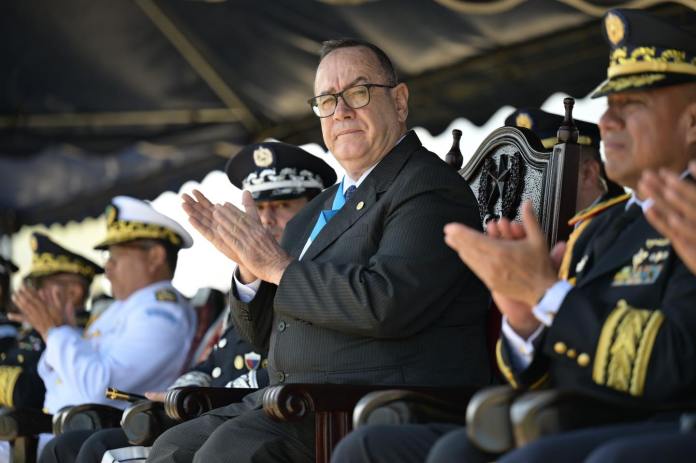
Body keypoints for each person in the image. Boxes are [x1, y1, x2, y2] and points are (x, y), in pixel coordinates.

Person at [332, 8, 696, 463]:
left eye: (632, 105)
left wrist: (548, 296)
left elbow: (674, 367)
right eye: (608, 106)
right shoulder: (601, 228)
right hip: (578, 419)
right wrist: (525, 320)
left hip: (657, 424)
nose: (607, 124)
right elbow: (545, 377)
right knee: (372, 447)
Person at [147, 37, 490, 463]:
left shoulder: (426, 187)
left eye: (358, 93)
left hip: (374, 406)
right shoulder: (317, 210)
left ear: (400, 102)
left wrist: (275, 265)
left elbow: (386, 302)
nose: (341, 110)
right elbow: (263, 335)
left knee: (228, 452)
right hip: (294, 400)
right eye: (327, 100)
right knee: (171, 447)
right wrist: (250, 271)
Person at [57, 142, 337, 463]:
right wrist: (185, 388)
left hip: (276, 413)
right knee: (77, 445)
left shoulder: (316, 277)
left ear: (315, 209)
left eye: (283, 204)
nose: (266, 220)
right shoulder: (249, 282)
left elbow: (298, 364)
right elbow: (217, 358)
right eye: (258, 209)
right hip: (223, 412)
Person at [31, 196, 197, 463]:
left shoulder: (162, 313)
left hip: (103, 438)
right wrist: (60, 333)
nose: (107, 268)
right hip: (61, 430)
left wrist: (56, 332)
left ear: (155, 256)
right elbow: (54, 379)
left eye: (116, 255)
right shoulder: (117, 309)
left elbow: (99, 389)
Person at [3, 233, 103, 410]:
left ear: (74, 293)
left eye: (39, 285)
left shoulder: (82, 333)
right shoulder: (33, 330)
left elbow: (27, 393)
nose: (33, 293)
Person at [505, 107, 625, 211]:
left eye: (539, 172)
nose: (524, 188)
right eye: (519, 176)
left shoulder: (629, 227)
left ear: (588, 173)